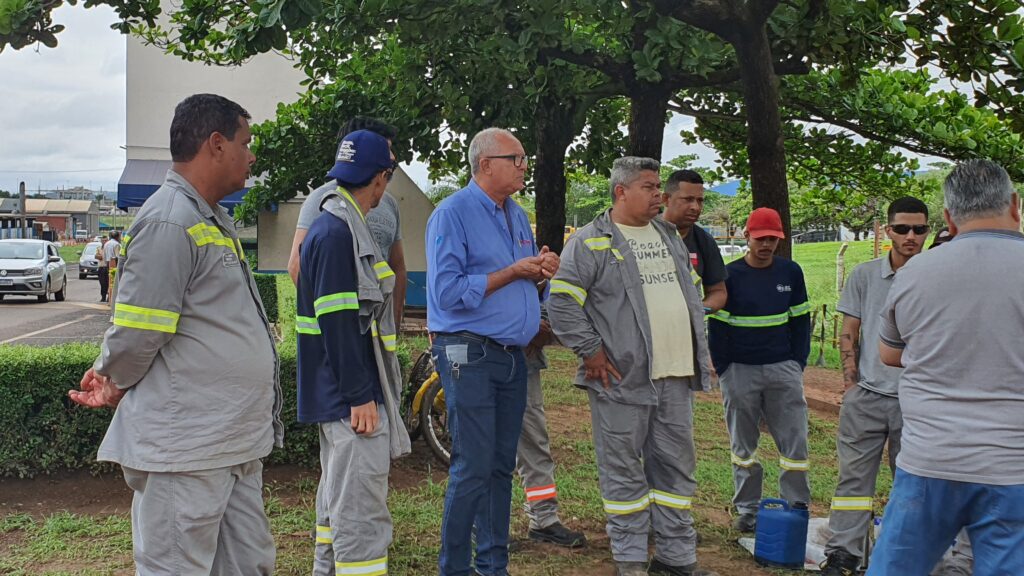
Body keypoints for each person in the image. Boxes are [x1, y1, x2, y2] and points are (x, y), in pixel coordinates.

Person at [67, 93, 283, 575]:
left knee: (250, 566)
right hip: (187, 449)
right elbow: (140, 330)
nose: (252, 155)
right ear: (216, 144)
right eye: (246, 143)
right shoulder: (170, 220)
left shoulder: (209, 217)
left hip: (230, 442)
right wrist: (112, 377)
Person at [549, 157, 717, 576]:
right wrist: (591, 351)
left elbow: (690, 293)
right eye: (649, 187)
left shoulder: (668, 234)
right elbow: (562, 302)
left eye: (659, 186)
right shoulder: (590, 241)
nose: (659, 195)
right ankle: (630, 562)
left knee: (677, 471)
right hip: (623, 378)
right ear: (621, 192)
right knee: (624, 474)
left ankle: (676, 560)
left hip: (675, 375)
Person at [869, 159, 1024, 575]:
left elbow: (889, 354)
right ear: (1015, 204)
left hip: (930, 460)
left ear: (949, 218)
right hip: (1012, 466)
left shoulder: (917, 273)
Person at [426, 127, 559, 576]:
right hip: (468, 353)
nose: (524, 166)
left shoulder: (516, 215)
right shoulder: (452, 214)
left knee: (502, 466)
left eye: (524, 159)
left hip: (511, 357)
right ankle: (455, 568)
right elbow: (446, 292)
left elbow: (521, 280)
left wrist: (540, 271)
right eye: (516, 159)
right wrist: (511, 272)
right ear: (486, 164)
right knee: (473, 465)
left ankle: (493, 565)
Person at [296, 130, 411, 576]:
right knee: (360, 513)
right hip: (351, 398)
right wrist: (361, 394)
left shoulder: (335, 225)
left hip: (340, 394)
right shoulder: (338, 233)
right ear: (379, 179)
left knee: (337, 500)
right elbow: (340, 325)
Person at [820, 197, 930, 575]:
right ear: (887, 231)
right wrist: (851, 384)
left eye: (919, 229)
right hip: (867, 396)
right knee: (853, 481)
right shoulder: (865, 275)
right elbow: (849, 332)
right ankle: (843, 554)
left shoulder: (936, 275)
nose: (911, 236)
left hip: (916, 401)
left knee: (912, 486)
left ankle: (905, 557)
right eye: (902, 229)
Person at [708, 207, 811, 533]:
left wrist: (797, 363)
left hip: (783, 369)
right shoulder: (730, 275)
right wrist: (725, 369)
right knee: (744, 447)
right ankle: (748, 511)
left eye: (773, 239)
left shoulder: (790, 272)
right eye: (761, 238)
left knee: (795, 444)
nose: (766, 245)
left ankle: (796, 506)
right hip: (740, 371)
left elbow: (800, 320)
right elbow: (717, 327)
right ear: (746, 236)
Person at [288, 117, 407, 327]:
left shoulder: (389, 204)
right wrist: (335, 320)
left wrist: (393, 323)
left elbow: (397, 266)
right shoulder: (321, 199)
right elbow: (297, 266)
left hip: (377, 334)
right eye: (385, 148)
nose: (392, 157)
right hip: (347, 331)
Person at [515, 310, 587, 549]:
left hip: (523, 361)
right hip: (484, 358)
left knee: (534, 440)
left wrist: (540, 329)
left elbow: (548, 304)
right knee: (490, 448)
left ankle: (544, 518)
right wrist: (525, 325)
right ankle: (487, 526)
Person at [659, 169, 727, 313]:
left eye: (699, 200)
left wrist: (697, 311)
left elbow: (718, 292)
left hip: (686, 332)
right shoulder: (643, 231)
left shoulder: (705, 241)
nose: (695, 207)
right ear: (665, 199)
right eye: (688, 199)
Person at [100, 230, 121, 304]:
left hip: (107, 265)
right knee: (115, 283)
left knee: (109, 283)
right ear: (117, 237)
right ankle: (112, 299)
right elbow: (118, 256)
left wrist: (106, 263)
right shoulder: (117, 244)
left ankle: (109, 299)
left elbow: (104, 256)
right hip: (115, 265)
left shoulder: (106, 244)